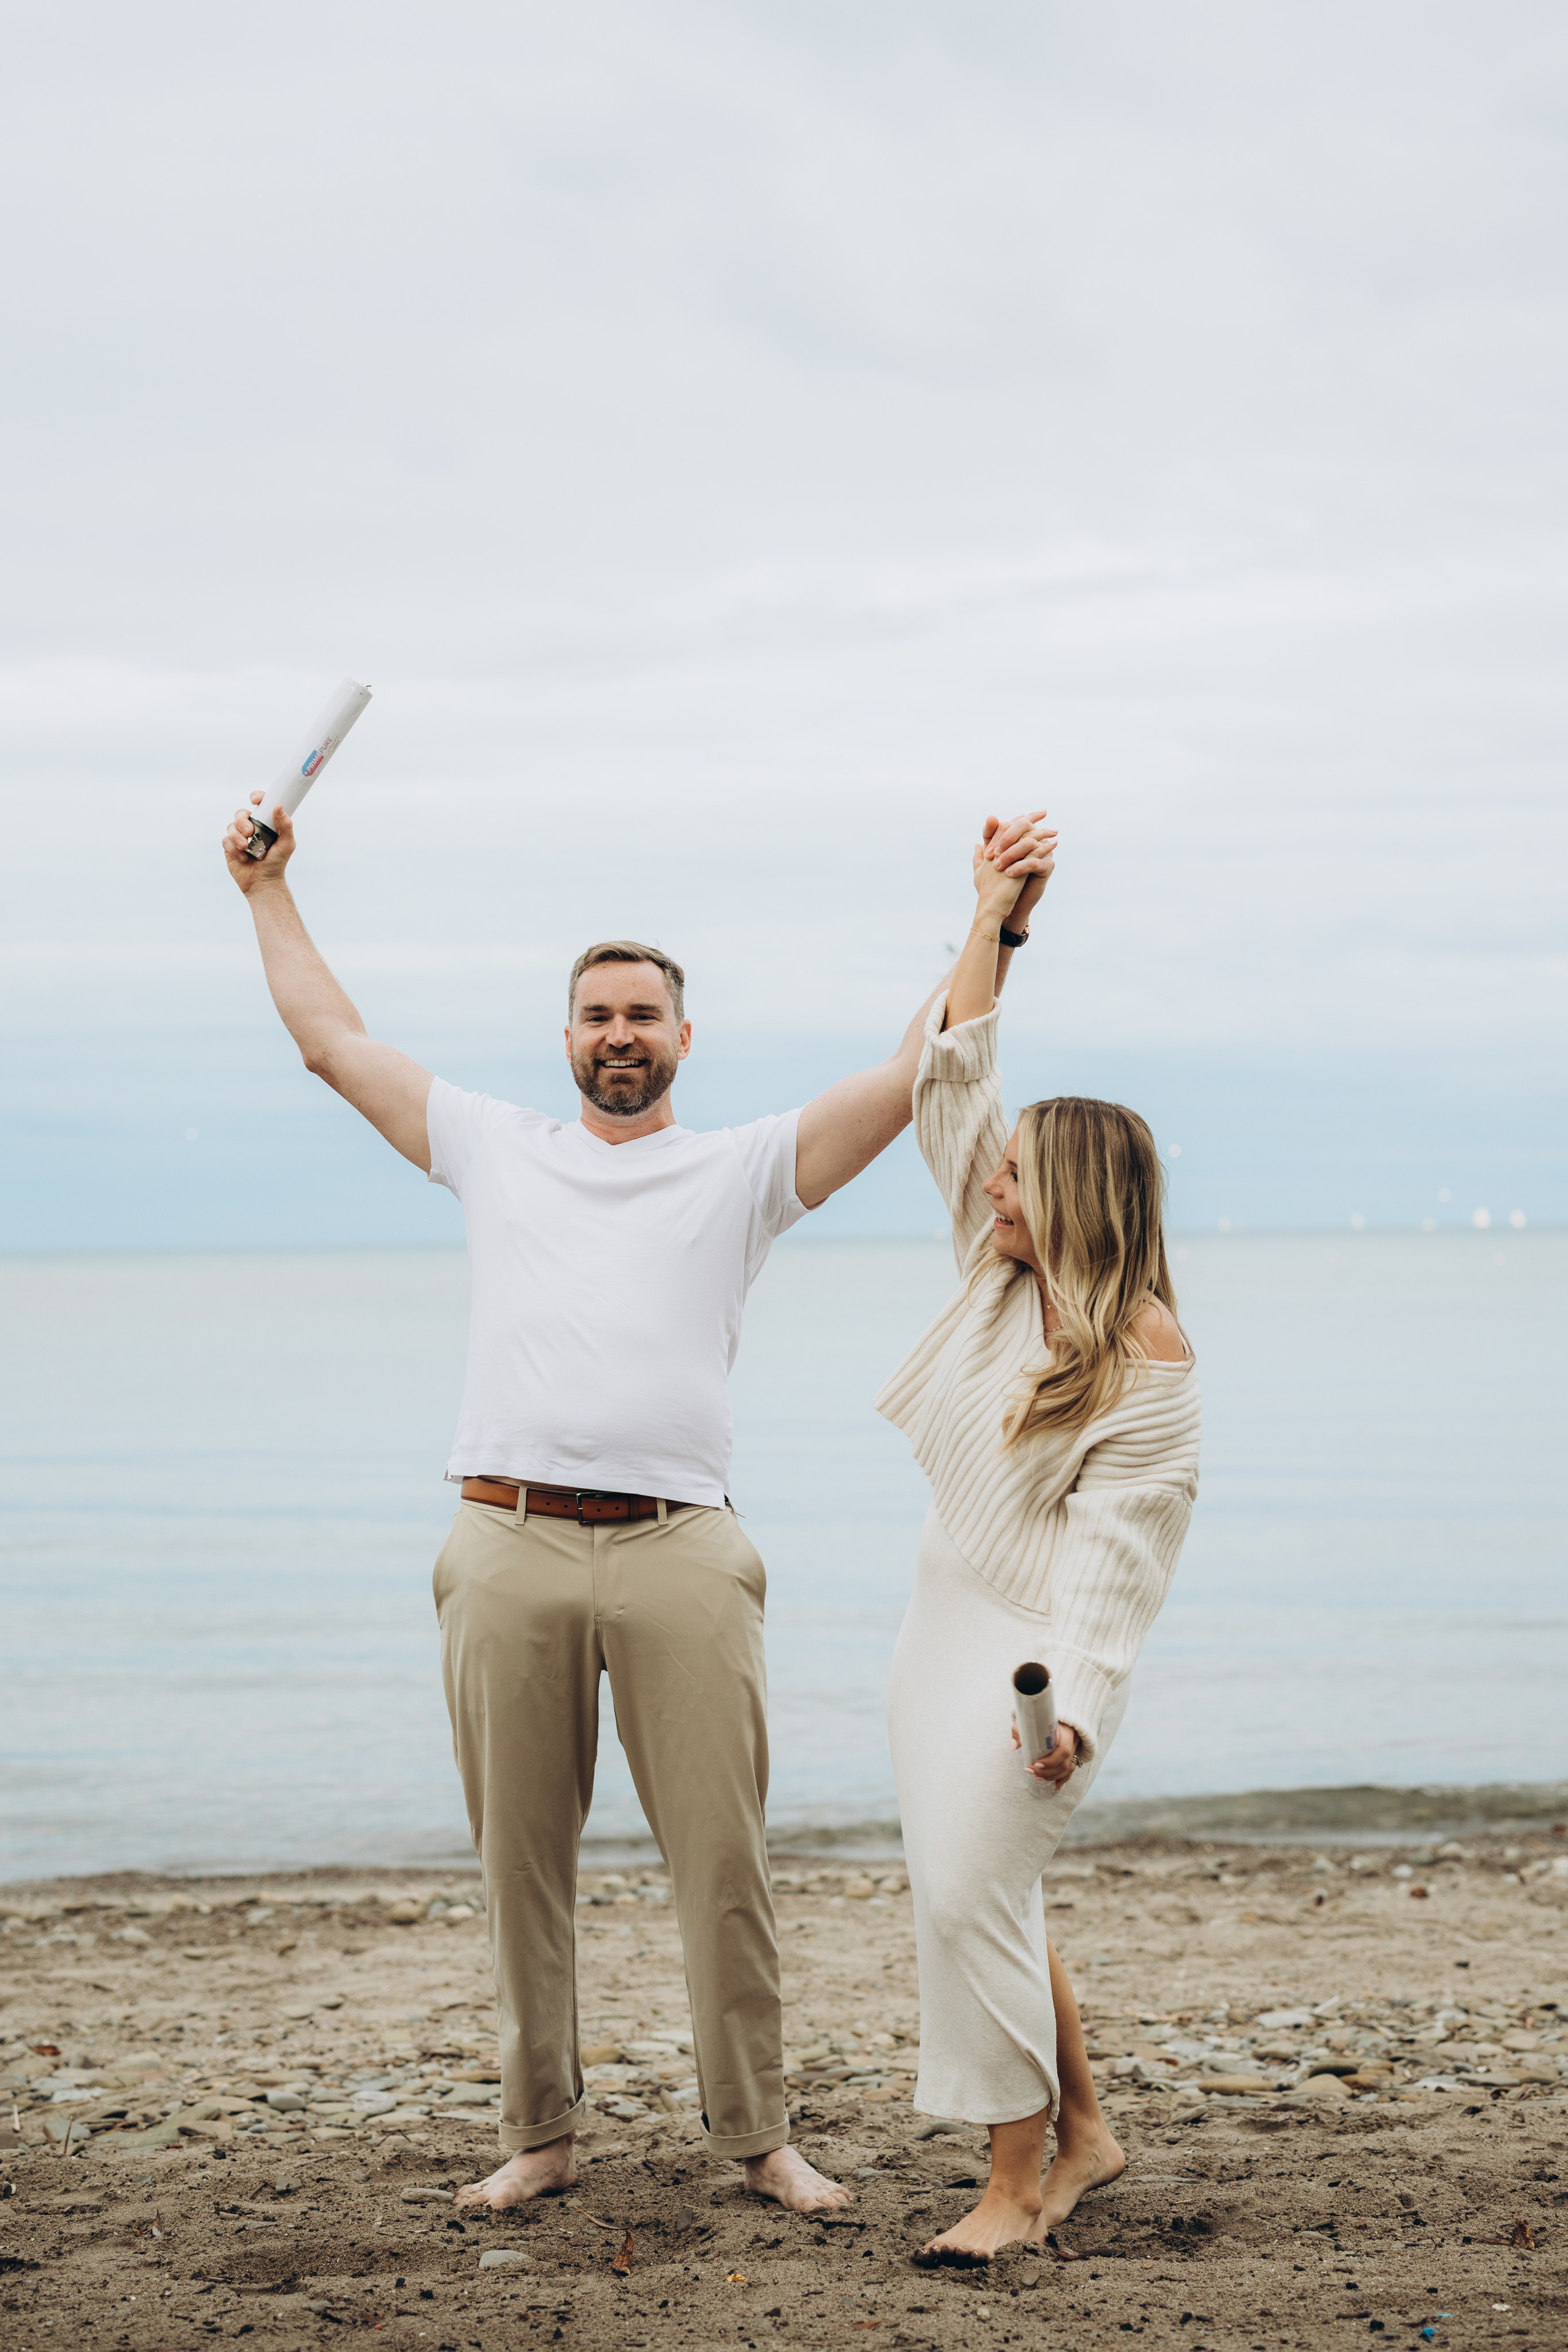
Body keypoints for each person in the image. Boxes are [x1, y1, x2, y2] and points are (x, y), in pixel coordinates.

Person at [221, 785, 1055, 2218]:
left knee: (724, 1864)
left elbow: (915, 1067)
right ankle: (539, 2137)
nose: (619, 1035)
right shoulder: (493, 1146)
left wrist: (989, 926)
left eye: (642, 1016)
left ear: (682, 1039)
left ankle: (758, 2138)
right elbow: (331, 1043)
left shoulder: (736, 1171)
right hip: (504, 1543)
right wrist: (265, 892)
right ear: (567, 1040)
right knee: (520, 1866)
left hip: (682, 1549)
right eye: (596, 1015)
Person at [875, 823, 1202, 2264]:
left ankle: (1017, 2179)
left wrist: (1069, 1714)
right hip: (936, 1621)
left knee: (968, 1886)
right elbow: (948, 1072)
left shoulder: (1147, 1369)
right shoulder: (995, 1266)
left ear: (1069, 1197)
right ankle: (1084, 2132)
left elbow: (1112, 1578)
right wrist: (994, 921)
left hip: (1034, 1665)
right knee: (976, 1884)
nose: (987, 1191)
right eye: (994, 1177)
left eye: (1014, 1181)